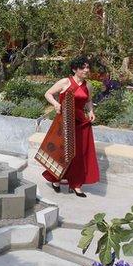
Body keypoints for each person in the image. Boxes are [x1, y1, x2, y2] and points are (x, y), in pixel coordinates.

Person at [42, 56, 100, 197]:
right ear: (75, 69)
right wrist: (56, 104)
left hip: (80, 123)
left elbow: (89, 100)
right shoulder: (65, 82)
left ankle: (76, 184)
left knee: (79, 154)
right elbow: (48, 93)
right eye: (83, 68)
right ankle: (56, 179)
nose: (86, 70)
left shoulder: (88, 85)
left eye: (88, 67)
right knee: (62, 153)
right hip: (64, 122)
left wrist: (91, 111)